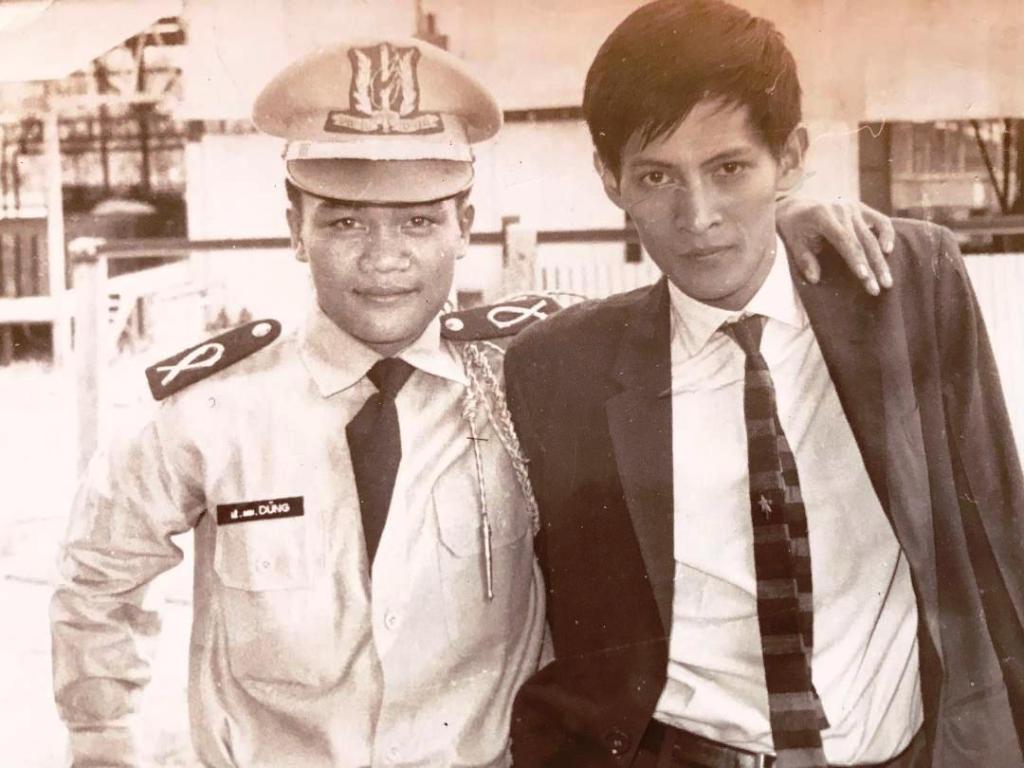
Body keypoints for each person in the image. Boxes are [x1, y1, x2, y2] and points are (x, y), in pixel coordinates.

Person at [51, 34, 897, 768]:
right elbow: (98, 576)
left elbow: (698, 295)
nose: (384, 257)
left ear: (465, 222)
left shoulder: (542, 373)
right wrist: (102, 741)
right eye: (344, 222)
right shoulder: (213, 412)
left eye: (420, 221)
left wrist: (784, 219)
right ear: (293, 228)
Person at [504, 2, 1024, 767]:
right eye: (656, 176)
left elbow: (999, 539)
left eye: (730, 169)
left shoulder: (904, 284)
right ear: (610, 180)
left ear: (792, 156)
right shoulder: (557, 365)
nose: (698, 217)